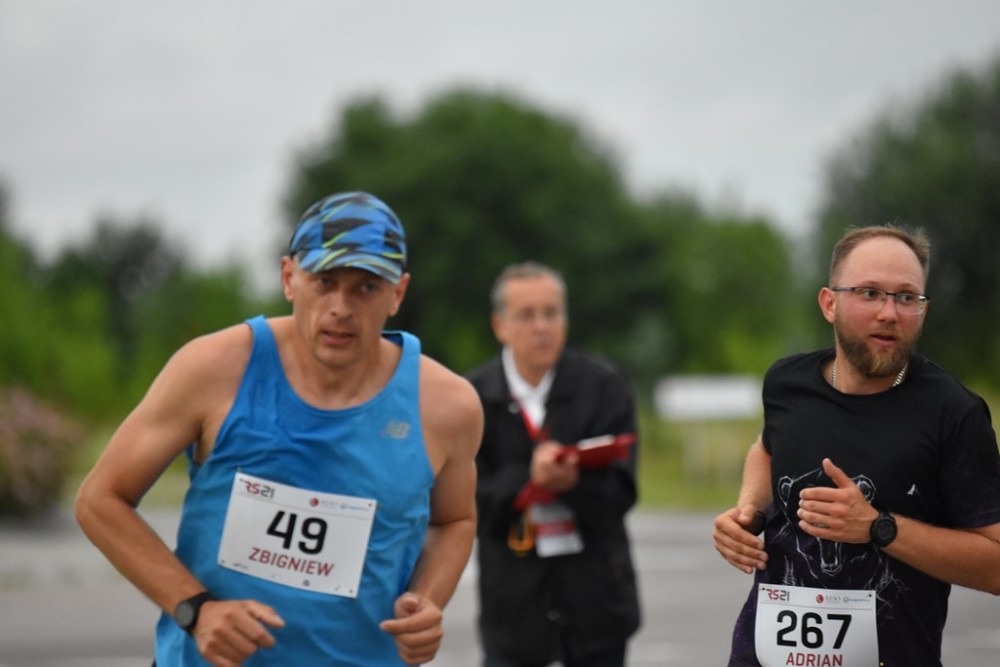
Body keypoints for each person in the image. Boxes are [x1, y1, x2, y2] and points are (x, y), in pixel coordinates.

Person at [75, 191, 484, 667]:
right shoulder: (214, 369)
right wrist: (196, 610)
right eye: (324, 281)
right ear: (290, 278)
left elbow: (454, 521)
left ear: (397, 294)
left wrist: (428, 602)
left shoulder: (446, 406)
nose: (341, 307)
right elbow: (100, 499)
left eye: (366, 287)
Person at [713, 224, 1000, 667]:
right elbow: (767, 449)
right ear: (829, 303)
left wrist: (879, 528)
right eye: (870, 293)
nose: (889, 312)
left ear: (922, 310)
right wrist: (747, 512)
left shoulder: (954, 413)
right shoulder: (787, 383)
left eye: (907, 297)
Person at [466, 261, 641, 667]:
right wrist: (527, 480)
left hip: (597, 608)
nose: (542, 326)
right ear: (499, 325)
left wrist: (572, 482)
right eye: (527, 315)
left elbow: (623, 492)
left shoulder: (604, 385)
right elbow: (465, 504)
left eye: (552, 313)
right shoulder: (472, 397)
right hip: (513, 614)